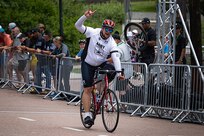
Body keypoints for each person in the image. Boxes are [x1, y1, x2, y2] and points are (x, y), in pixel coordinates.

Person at [75, 9, 124, 125]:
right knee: (87, 89)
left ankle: (99, 90)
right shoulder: (92, 32)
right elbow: (77, 26)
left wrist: (119, 73)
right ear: (102, 28)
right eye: (106, 29)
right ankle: (87, 115)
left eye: (111, 30)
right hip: (87, 63)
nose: (108, 31)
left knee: (112, 70)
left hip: (100, 63)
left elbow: (116, 58)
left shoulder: (112, 42)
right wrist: (84, 17)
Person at [112, 31, 133, 103]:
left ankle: (123, 104)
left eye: (112, 40)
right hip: (128, 69)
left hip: (123, 71)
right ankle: (130, 100)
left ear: (116, 40)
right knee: (126, 87)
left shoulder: (118, 47)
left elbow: (115, 58)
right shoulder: (125, 44)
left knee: (121, 89)